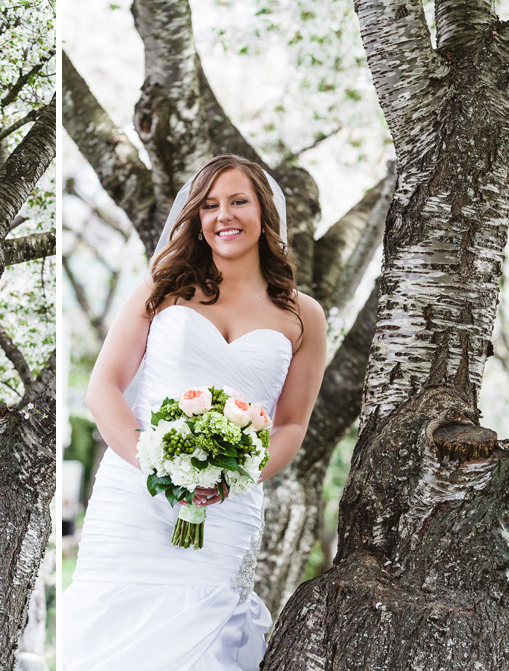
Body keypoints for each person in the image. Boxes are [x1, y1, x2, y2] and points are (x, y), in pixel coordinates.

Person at [62, 155, 327, 670]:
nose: (223, 215)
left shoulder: (303, 314)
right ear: (196, 219)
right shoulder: (162, 288)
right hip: (135, 499)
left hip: (229, 506)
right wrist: (161, 465)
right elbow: (104, 389)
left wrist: (230, 478)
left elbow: (292, 423)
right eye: (209, 205)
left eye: (237, 201)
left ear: (265, 212)